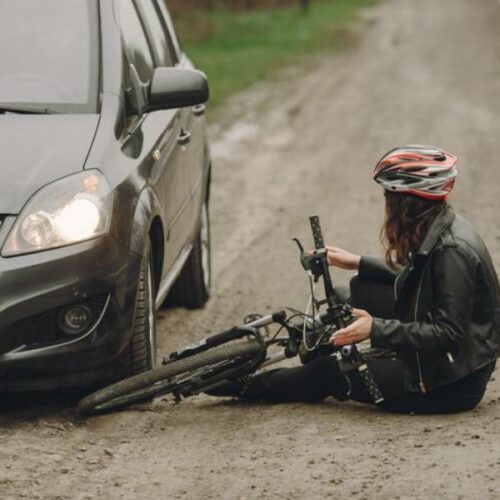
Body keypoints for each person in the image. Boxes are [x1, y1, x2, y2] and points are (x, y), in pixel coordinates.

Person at [209, 145, 500, 414]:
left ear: (408, 202)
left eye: (389, 196)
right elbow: (416, 279)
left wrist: (376, 329)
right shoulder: (438, 226)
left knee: (330, 371)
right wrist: (357, 262)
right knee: (354, 292)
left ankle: (246, 386)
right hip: (446, 363)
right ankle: (321, 345)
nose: (385, 204)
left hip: (447, 383)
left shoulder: (452, 251)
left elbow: (449, 334)